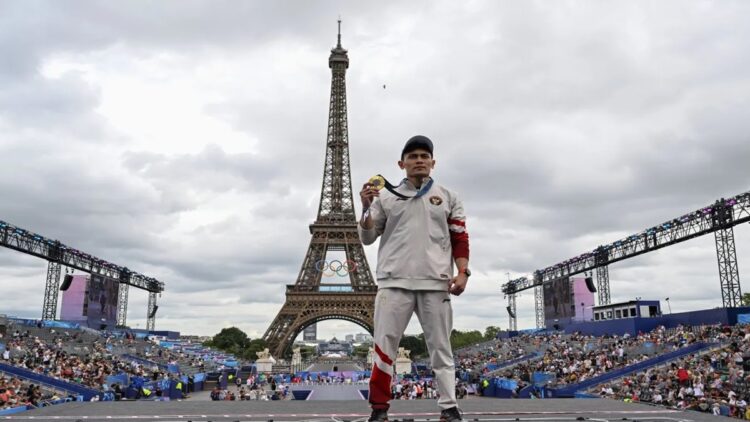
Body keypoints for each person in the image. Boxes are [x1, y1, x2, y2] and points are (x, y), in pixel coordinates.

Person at [359, 135, 469, 422]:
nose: (419, 160)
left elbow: (460, 238)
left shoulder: (449, 196)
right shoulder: (385, 196)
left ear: (433, 162)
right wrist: (366, 208)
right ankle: (379, 408)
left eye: (424, 155)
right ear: (401, 163)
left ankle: (449, 407)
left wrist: (463, 271)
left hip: (435, 281)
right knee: (384, 349)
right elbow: (368, 237)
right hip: (394, 281)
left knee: (441, 349)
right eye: (413, 156)